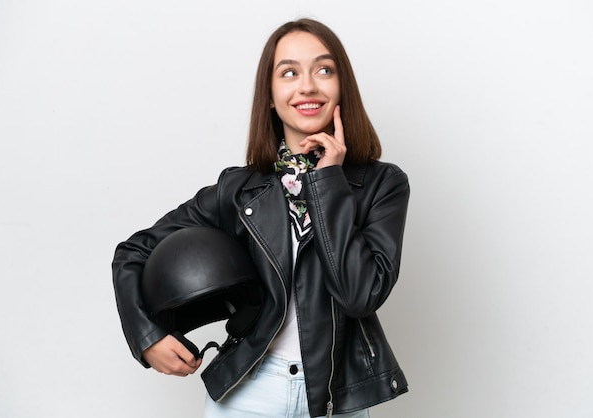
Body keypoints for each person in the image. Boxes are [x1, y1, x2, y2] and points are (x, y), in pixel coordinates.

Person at [112, 18, 410, 418]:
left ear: (342, 89)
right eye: (289, 72)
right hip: (249, 394)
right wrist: (147, 336)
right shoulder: (239, 189)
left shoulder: (382, 184)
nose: (307, 86)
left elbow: (360, 295)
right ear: (270, 96)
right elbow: (133, 251)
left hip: (337, 397)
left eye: (324, 70)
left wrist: (327, 181)